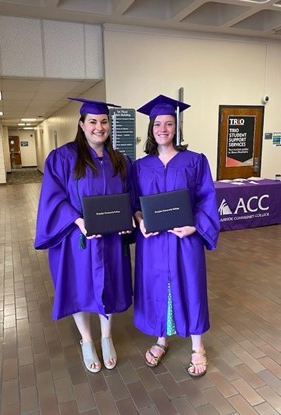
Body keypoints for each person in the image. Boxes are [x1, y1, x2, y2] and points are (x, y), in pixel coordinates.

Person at [34, 98, 134, 373]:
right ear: (81, 124)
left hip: (111, 240)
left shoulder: (120, 161)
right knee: (79, 288)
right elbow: (53, 198)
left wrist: (127, 219)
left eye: (103, 122)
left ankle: (106, 337)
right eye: (92, 122)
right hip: (78, 240)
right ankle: (87, 341)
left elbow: (129, 198)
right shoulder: (63, 158)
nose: (98, 127)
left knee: (110, 286)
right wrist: (77, 220)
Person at [132, 94, 220, 377]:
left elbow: (207, 198)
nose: (163, 129)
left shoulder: (195, 161)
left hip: (185, 240)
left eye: (169, 124)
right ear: (151, 128)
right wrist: (139, 219)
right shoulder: (140, 166)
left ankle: (198, 347)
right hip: (154, 243)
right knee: (158, 288)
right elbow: (134, 204)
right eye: (158, 124)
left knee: (191, 288)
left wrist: (195, 225)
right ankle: (161, 340)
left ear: (176, 128)